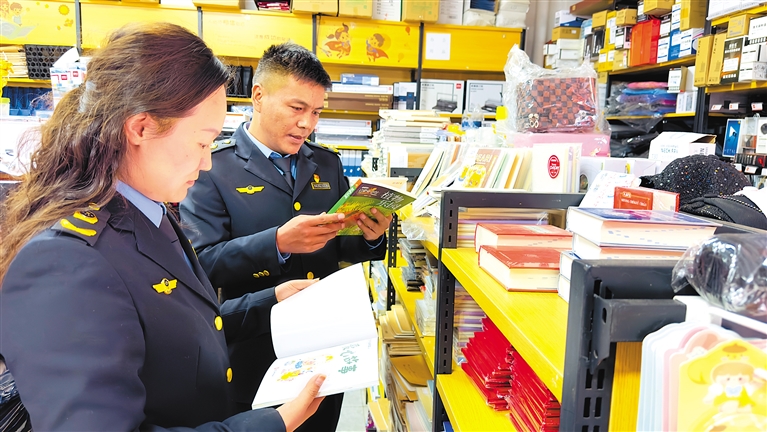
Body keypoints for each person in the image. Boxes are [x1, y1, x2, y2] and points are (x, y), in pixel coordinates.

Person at [0, 23, 325, 431]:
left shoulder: (149, 210)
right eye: (202, 142)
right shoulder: (65, 261)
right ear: (141, 128)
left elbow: (175, 329)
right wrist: (268, 425)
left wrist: (271, 300)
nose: (207, 162)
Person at [180, 43, 392, 429]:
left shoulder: (326, 162)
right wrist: (276, 243)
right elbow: (201, 264)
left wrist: (371, 236)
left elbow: (340, 244)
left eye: (317, 112)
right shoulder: (212, 167)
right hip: (257, 352)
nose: (307, 123)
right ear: (258, 96)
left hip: (326, 349)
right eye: (297, 108)